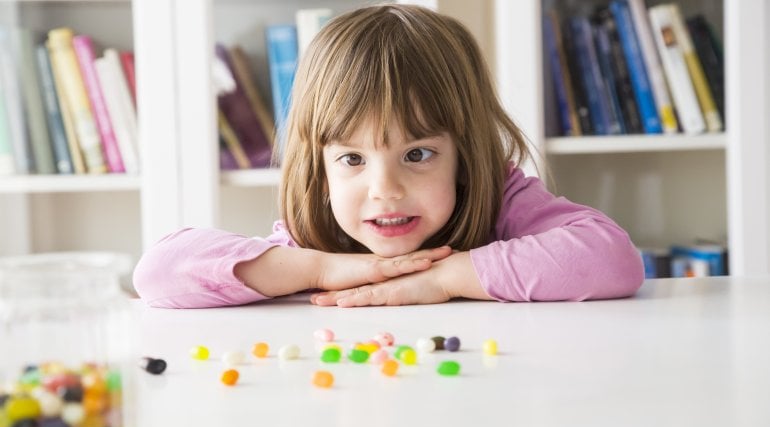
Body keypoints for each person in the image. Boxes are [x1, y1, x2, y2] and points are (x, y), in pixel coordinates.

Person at [133, 4, 644, 309]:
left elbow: (613, 259)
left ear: (464, 153)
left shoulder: (500, 199)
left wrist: (441, 280)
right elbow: (157, 273)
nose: (385, 189)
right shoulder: (315, 231)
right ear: (321, 167)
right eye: (352, 159)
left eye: (417, 153)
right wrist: (318, 270)